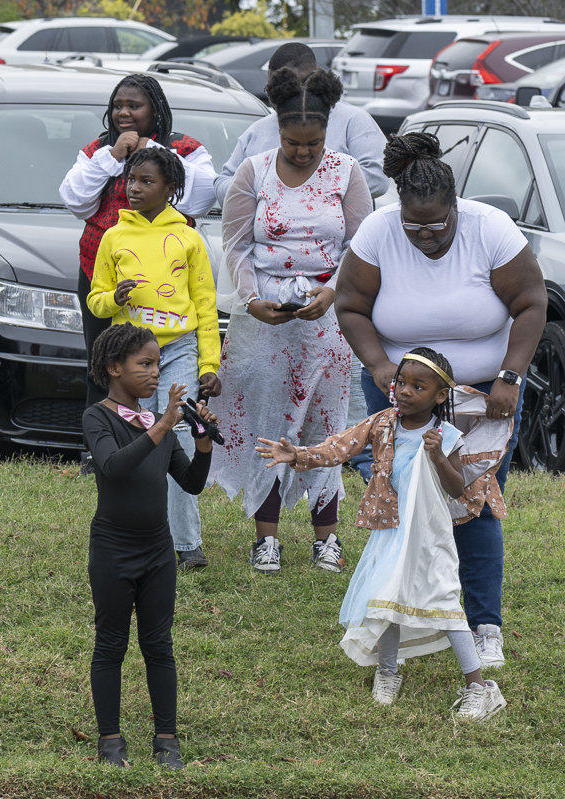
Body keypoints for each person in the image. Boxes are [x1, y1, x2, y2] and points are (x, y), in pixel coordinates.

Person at [334, 131, 548, 670]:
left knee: (475, 505)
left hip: (484, 396)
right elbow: (350, 305)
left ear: (456, 206)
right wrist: (379, 365)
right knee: (402, 505)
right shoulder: (378, 233)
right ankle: (398, 620)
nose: (425, 237)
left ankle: (484, 626)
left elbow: (531, 302)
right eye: (414, 226)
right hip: (403, 394)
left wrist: (510, 376)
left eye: (437, 226)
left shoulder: (490, 229)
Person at [256, 349, 506, 720]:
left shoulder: (447, 435)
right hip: (391, 530)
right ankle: (388, 671)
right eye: (401, 382)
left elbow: (457, 489)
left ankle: (481, 688)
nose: (404, 391)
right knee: (385, 598)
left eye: (418, 386)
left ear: (440, 395)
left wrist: (439, 457)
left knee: (445, 601)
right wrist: (299, 455)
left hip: (429, 533)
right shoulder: (383, 423)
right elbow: (341, 446)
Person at [207, 67, 373, 574]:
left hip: (326, 319)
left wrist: (334, 291)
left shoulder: (346, 172)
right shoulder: (252, 172)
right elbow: (236, 246)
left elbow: (359, 246)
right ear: (277, 129)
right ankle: (267, 539)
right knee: (269, 424)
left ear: (327, 131)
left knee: (325, 423)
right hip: (265, 319)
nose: (304, 152)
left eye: (313, 143)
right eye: (293, 143)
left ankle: (327, 538)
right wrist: (252, 299)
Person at [81, 323, 219, 770]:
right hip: (113, 549)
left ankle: (167, 740)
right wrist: (162, 424)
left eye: (158, 364)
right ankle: (110, 741)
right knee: (111, 644)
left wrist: (202, 443)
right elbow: (114, 466)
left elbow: (191, 483)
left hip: (158, 550)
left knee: (159, 644)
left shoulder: (157, 425)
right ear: (113, 367)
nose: (155, 372)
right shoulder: (98, 417)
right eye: (145, 363)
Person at [87, 146, 220, 570]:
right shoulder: (113, 236)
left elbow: (205, 305)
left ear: (171, 188)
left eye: (147, 181)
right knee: (137, 441)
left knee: (180, 435)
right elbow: (95, 301)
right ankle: (137, 531)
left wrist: (209, 366)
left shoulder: (188, 238)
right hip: (130, 353)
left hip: (179, 347)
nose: (135, 188)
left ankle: (187, 544)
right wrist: (113, 298)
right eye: (131, 180)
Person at [59, 73, 217, 424]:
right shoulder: (98, 149)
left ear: (155, 110)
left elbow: (201, 198)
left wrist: (154, 152)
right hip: (104, 272)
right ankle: (102, 440)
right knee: (104, 363)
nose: (124, 113)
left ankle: (163, 439)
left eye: (134, 105)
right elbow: (75, 200)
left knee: (160, 369)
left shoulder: (185, 148)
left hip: (167, 276)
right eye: (118, 105)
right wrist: (113, 156)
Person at [213, 42, 389, 205]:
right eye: (273, 87)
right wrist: (262, 187)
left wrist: (304, 187)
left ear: (314, 78)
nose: (280, 94)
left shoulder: (353, 120)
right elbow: (223, 183)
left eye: (290, 86)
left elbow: (377, 178)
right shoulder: (258, 130)